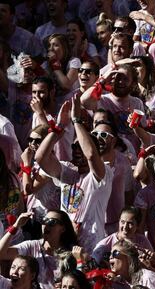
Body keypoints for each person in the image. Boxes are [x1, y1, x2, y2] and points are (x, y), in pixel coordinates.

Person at [35, 95, 114, 253]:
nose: (77, 151)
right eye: (74, 148)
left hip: (90, 248)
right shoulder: (67, 172)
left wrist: (76, 120)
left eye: (81, 148)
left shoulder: (103, 173)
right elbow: (40, 157)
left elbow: (91, 155)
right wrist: (58, 127)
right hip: (63, 244)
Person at [0, 210, 77, 289]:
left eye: (51, 222)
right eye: (44, 220)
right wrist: (16, 226)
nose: (45, 224)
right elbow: (1, 253)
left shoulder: (72, 253)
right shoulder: (32, 246)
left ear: (63, 228)